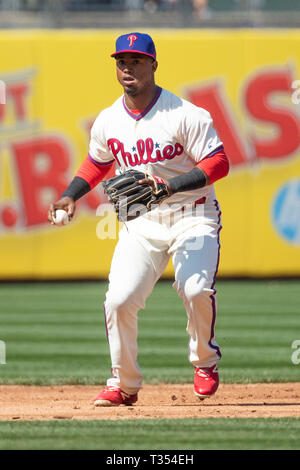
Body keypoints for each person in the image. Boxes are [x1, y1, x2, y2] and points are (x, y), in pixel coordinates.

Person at [48, 32, 230, 407]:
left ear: (153, 64)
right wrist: (69, 195)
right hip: (141, 222)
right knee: (118, 300)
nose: (127, 67)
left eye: (136, 60)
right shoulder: (108, 120)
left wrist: (169, 186)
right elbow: (97, 163)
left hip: (193, 214)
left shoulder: (184, 114)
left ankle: (205, 361)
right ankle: (124, 383)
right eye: (121, 61)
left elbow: (218, 163)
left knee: (194, 289)